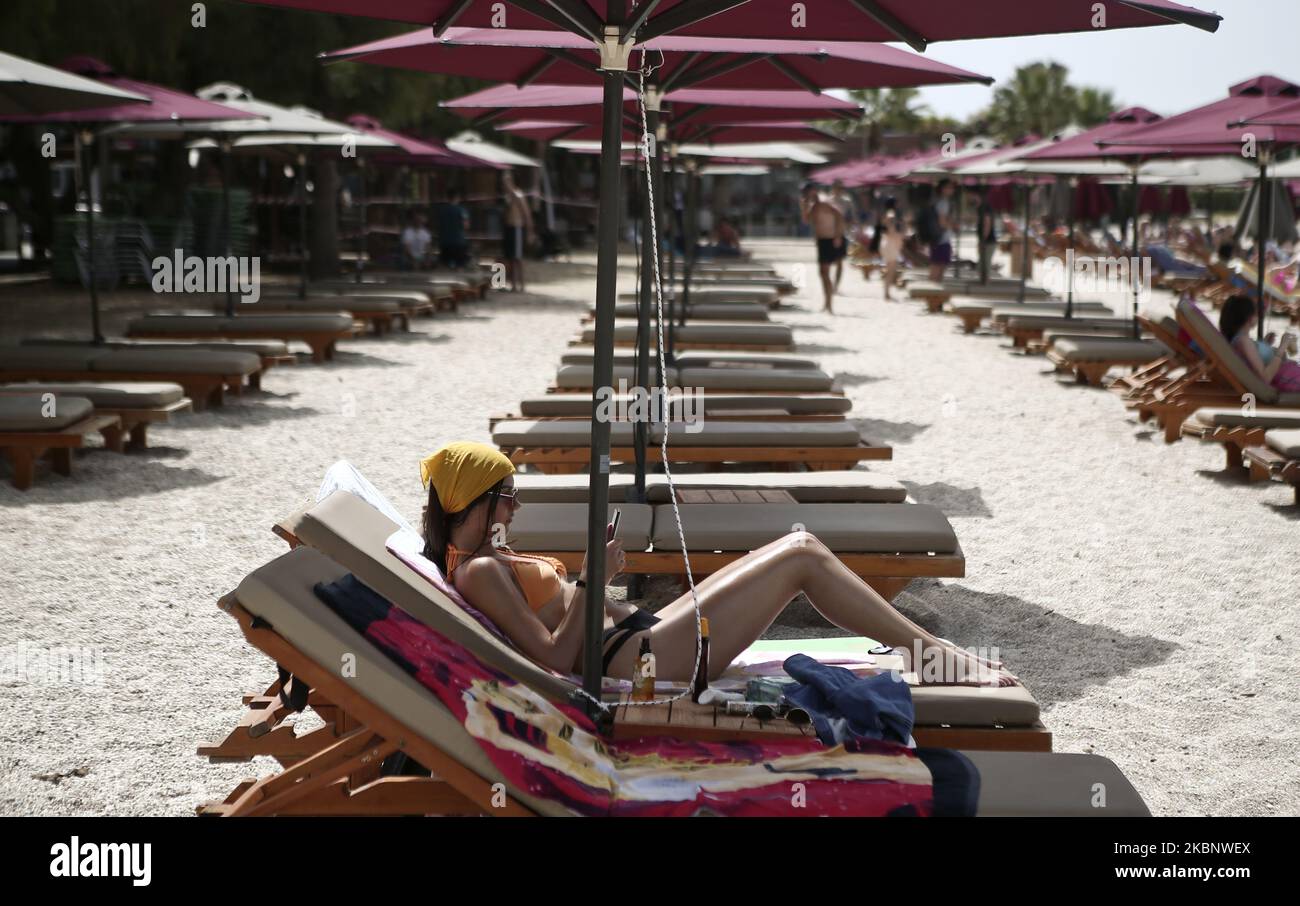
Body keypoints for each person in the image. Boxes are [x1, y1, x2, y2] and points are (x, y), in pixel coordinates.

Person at [420, 441, 1015, 686]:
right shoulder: (477, 571)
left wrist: (600, 584)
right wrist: (588, 578)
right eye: (507, 492)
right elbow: (551, 658)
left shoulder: (486, 559)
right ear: (472, 499)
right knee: (802, 557)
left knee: (779, 550)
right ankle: (935, 658)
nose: (517, 503)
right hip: (641, 662)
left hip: (638, 636)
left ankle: (930, 652)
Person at [1219, 295, 1300, 391]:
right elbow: (1265, 378)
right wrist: (1282, 347)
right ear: (1249, 318)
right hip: (1289, 380)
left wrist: (1265, 344)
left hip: (1288, 376)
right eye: (1256, 314)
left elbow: (1253, 360)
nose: (1258, 317)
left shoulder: (1239, 340)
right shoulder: (1244, 341)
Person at [800, 183, 846, 314]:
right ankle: (827, 303)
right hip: (822, 240)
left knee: (825, 273)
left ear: (813, 191)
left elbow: (839, 215)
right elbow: (806, 220)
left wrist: (838, 236)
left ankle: (829, 304)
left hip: (830, 239)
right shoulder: (813, 205)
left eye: (807, 193)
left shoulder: (824, 202)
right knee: (822, 274)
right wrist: (803, 207)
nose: (806, 196)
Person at [501, 171, 534, 292]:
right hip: (508, 228)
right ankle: (512, 284)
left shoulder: (518, 195)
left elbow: (527, 215)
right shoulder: (507, 197)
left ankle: (521, 285)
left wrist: (530, 232)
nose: (505, 184)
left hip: (517, 228)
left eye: (508, 180)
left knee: (517, 258)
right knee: (509, 257)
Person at [927, 179, 956, 282]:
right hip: (941, 240)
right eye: (950, 187)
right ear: (943, 189)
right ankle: (932, 293)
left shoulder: (939, 202)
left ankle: (934, 293)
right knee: (937, 269)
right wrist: (953, 225)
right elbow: (942, 222)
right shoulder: (943, 203)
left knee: (938, 268)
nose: (952, 189)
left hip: (939, 239)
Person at [436, 189, 470, 269]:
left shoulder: (442, 211)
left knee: (445, 266)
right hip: (458, 243)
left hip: (444, 243)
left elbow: (439, 225)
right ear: (457, 197)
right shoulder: (462, 210)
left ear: (447, 198)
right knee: (460, 266)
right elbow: (466, 225)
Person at [878, 206, 904, 301]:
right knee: (890, 272)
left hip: (889, 247)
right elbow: (894, 236)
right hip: (891, 247)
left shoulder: (886, 225)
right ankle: (886, 293)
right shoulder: (890, 225)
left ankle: (887, 292)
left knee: (889, 271)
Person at [976, 188, 997, 285]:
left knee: (985, 262)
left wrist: (983, 240)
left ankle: (986, 281)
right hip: (987, 240)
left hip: (988, 241)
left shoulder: (984, 208)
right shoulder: (982, 207)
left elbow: (987, 224)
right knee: (983, 261)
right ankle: (984, 280)